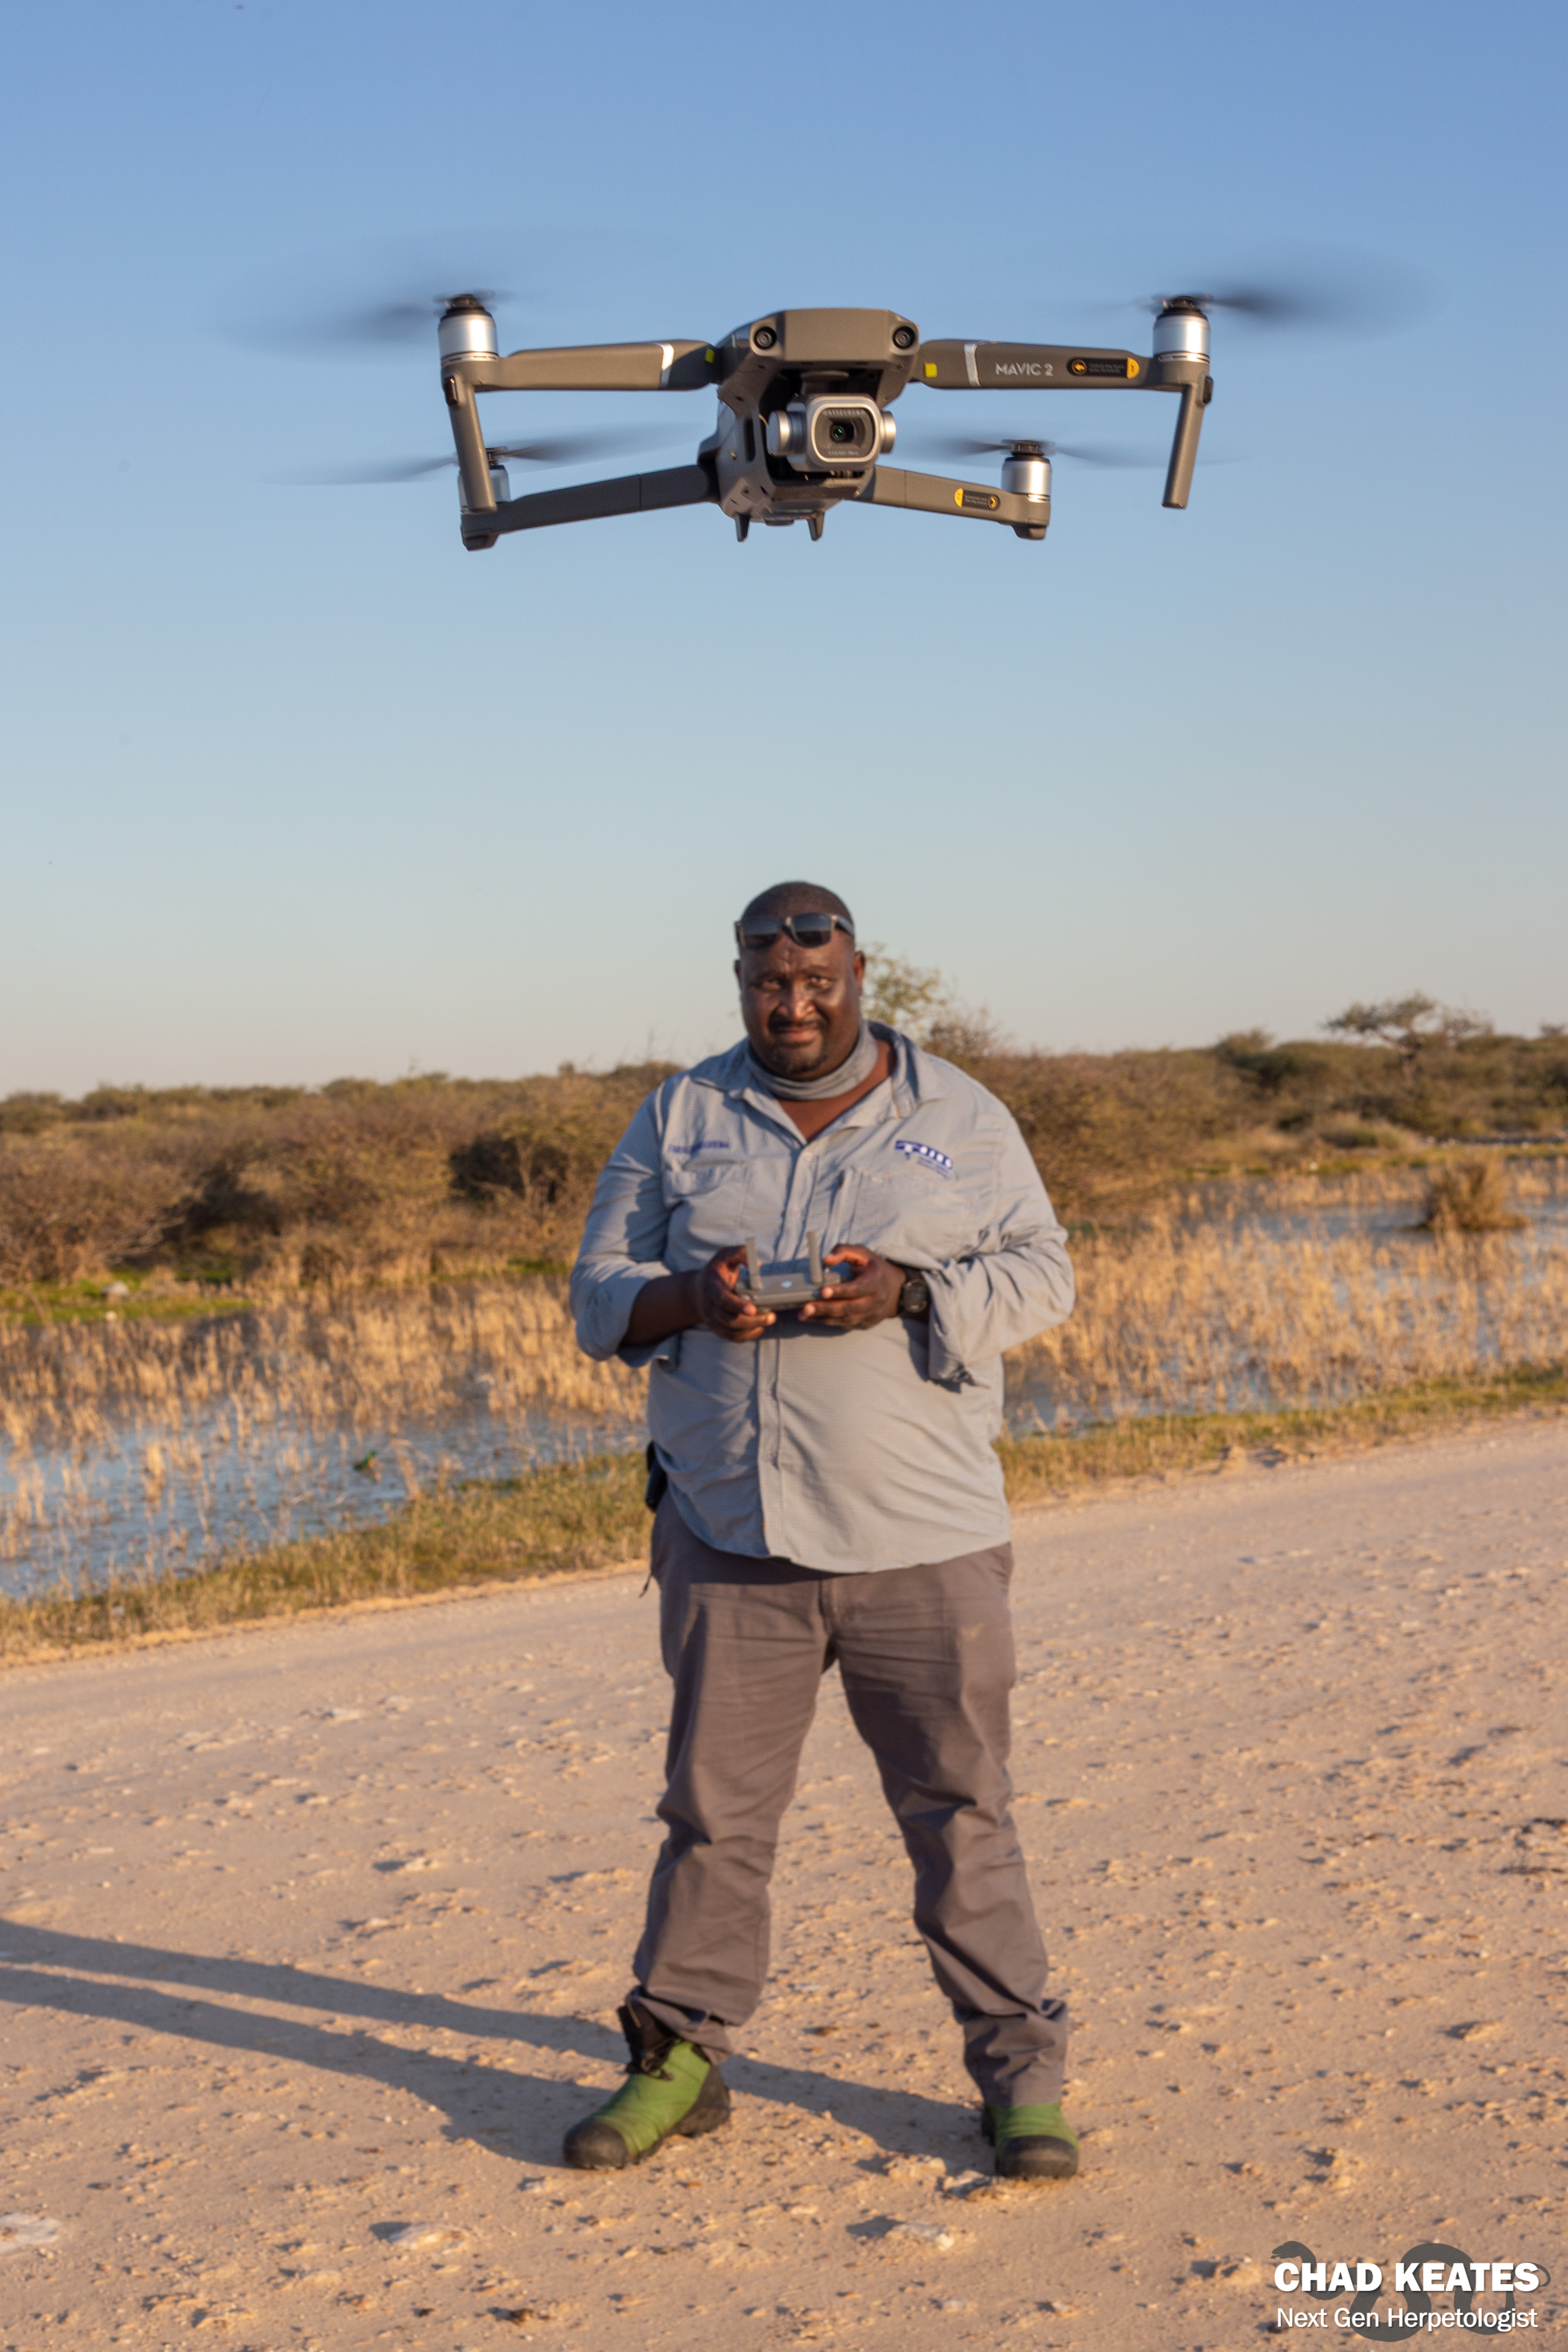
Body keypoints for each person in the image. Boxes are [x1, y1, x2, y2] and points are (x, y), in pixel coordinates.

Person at [564, 882, 1078, 2182]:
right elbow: (598, 1295)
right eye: (766, 984)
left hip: (924, 1540)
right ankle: (678, 2060)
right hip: (730, 1534)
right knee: (712, 1818)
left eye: (815, 982)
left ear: (857, 976)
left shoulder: (961, 1115)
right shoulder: (679, 1114)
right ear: (740, 982)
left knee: (961, 1812)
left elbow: (1044, 1272)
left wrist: (909, 1293)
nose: (790, 1005)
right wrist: (695, 1296)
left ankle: (1021, 2079)